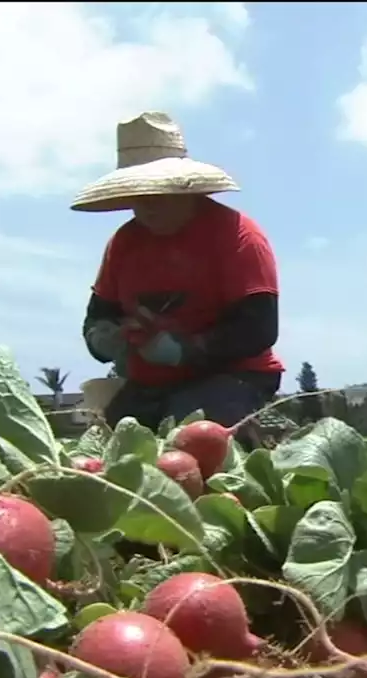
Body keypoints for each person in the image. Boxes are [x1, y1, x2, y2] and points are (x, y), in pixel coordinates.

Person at [73, 112, 284, 447]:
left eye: (158, 192)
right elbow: (98, 314)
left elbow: (258, 329)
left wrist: (187, 350)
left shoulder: (238, 236)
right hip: (150, 384)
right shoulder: (124, 244)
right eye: (137, 194)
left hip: (231, 377)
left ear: (186, 189)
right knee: (112, 450)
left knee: (192, 437)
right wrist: (104, 337)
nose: (147, 206)